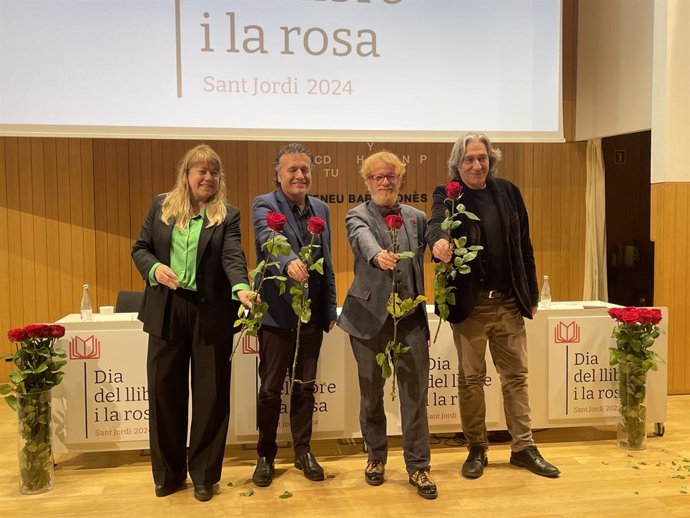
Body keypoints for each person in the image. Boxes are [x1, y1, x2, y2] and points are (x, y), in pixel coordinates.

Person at [426, 132, 560, 479]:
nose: (476, 164)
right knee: (471, 380)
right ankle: (477, 448)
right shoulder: (447, 194)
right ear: (458, 165)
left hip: (509, 303)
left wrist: (529, 296)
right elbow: (436, 224)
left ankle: (523, 447)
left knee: (516, 377)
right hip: (471, 308)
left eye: (482, 158)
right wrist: (440, 242)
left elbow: (524, 246)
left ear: (491, 160)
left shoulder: (509, 192)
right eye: (469, 159)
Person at [132, 144, 254, 502]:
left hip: (210, 313)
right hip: (166, 309)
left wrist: (242, 287)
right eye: (201, 171)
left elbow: (233, 255)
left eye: (214, 172)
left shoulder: (227, 215)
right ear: (186, 175)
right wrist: (154, 269)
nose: (208, 177)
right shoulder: (161, 207)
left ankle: (203, 475)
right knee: (164, 394)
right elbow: (140, 248)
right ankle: (168, 475)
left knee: (211, 397)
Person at [338, 151, 437, 500]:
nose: (384, 182)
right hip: (367, 320)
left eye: (390, 176)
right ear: (367, 182)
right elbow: (361, 238)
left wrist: (443, 248)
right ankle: (376, 458)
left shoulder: (416, 218)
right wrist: (378, 255)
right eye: (377, 177)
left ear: (400, 179)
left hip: (409, 319)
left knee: (415, 396)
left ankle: (419, 466)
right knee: (371, 395)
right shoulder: (356, 215)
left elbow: (434, 242)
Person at [250, 143, 337, 487]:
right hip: (276, 316)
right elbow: (268, 239)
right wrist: (289, 264)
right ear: (278, 175)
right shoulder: (264, 204)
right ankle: (265, 456)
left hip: (312, 316)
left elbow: (327, 261)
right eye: (292, 170)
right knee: (270, 390)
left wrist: (329, 306)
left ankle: (303, 451)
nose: (300, 176)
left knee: (305, 388)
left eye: (305, 170)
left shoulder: (321, 209)